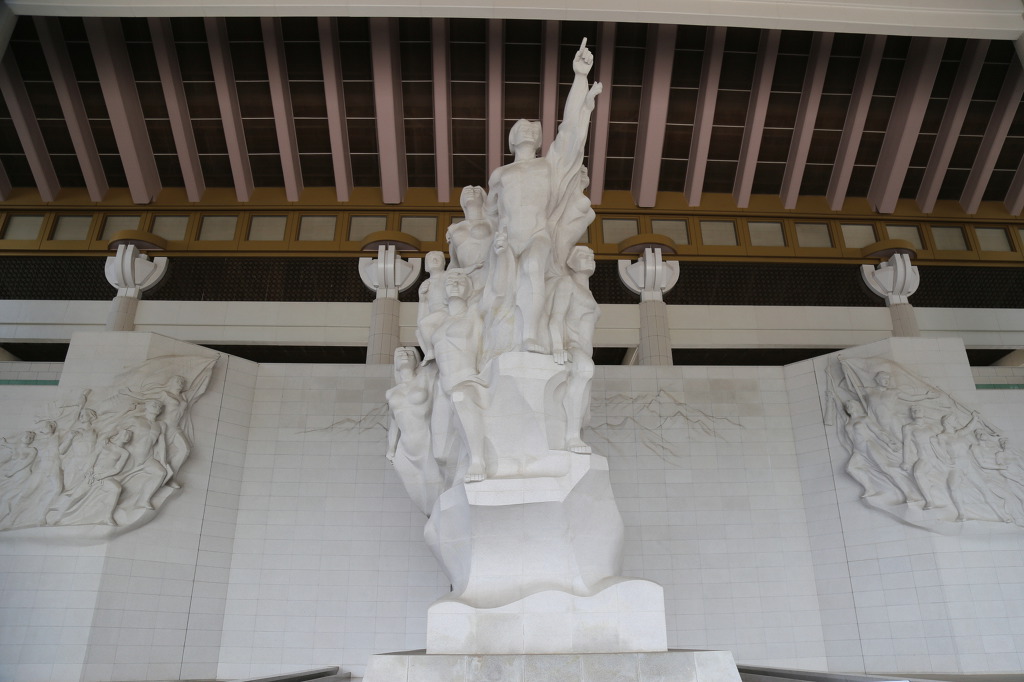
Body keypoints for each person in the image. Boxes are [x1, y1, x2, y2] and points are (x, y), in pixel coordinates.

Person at [485, 38, 602, 353]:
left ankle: (530, 336)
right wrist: (495, 244)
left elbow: (570, 132)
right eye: (521, 128)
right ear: (511, 139)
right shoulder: (500, 175)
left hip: (538, 232)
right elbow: (490, 214)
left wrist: (580, 78)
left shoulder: (548, 167)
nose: (528, 130)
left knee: (534, 271)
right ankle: (502, 340)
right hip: (507, 237)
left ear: (539, 141)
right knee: (505, 289)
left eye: (534, 129)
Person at [547, 246, 600, 453]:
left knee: (585, 416)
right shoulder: (567, 283)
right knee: (585, 369)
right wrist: (557, 347)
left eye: (591, 256)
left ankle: (575, 434)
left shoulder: (589, 293)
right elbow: (556, 318)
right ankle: (571, 438)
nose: (589, 259)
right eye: (583, 256)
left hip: (586, 351)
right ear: (571, 262)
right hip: (572, 346)